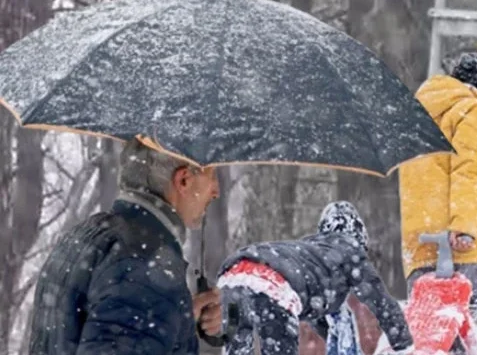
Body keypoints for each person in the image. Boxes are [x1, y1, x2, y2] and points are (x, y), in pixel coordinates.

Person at [29, 138, 223, 354]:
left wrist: (179, 319)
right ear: (184, 180)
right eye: (212, 175)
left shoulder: (87, 235)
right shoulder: (145, 263)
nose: (216, 191)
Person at [216, 201, 414, 355]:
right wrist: (405, 346)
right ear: (360, 239)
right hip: (274, 285)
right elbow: (382, 303)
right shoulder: (349, 251)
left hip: (233, 279)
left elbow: (316, 312)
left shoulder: (310, 253)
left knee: (237, 346)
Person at [399, 52, 477, 324]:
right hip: (457, 243)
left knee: (425, 331)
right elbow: (469, 171)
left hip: (418, 243)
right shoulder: (471, 109)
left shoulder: (418, 114)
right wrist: (464, 226)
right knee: (460, 330)